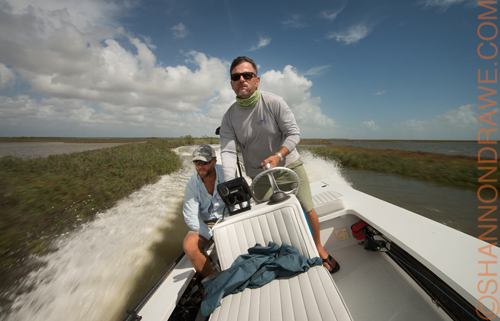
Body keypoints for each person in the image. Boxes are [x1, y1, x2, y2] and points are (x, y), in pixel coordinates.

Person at [219, 56, 340, 273]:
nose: (242, 80)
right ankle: (289, 253)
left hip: (288, 167)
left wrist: (278, 154)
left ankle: (318, 246)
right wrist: (230, 184)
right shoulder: (228, 117)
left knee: (307, 207)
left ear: (257, 80)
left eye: (247, 75)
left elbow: (293, 133)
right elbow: (228, 153)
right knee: (273, 217)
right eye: (236, 77)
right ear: (231, 83)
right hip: (260, 177)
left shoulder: (274, 102)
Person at [182, 144, 225, 278]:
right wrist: (211, 234)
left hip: (228, 217)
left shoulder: (227, 173)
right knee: (189, 245)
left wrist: (226, 227)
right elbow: (191, 216)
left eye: (205, 162)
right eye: (196, 162)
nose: (200, 166)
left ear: (214, 161)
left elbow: (238, 202)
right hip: (206, 224)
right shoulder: (192, 185)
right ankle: (214, 281)